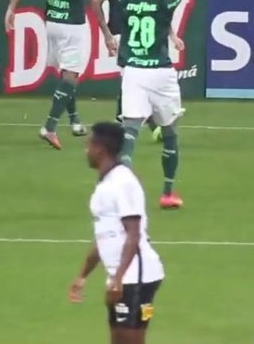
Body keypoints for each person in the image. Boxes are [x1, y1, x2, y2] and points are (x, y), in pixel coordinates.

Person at [111, 0, 215, 210]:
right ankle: (168, 192)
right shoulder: (166, 1)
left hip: (133, 71)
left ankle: (124, 191)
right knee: (170, 134)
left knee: (129, 133)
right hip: (161, 73)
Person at [6, 0, 117, 149]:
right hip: (73, 24)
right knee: (71, 75)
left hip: (52, 22)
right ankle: (50, 126)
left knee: (67, 72)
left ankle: (75, 120)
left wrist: (11, 8)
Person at [69, 122, 165, 344]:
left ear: (100, 149)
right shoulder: (107, 183)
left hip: (137, 278)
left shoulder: (123, 182)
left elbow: (134, 234)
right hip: (122, 277)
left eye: (88, 145)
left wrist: (119, 278)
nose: (86, 151)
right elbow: (103, 237)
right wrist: (83, 275)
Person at [93, 0, 186, 142]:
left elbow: (160, 12)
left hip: (141, 39)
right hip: (120, 34)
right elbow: (96, 1)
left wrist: (172, 35)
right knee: (131, 81)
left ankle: (135, 126)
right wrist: (106, 33)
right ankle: (143, 126)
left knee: (131, 82)